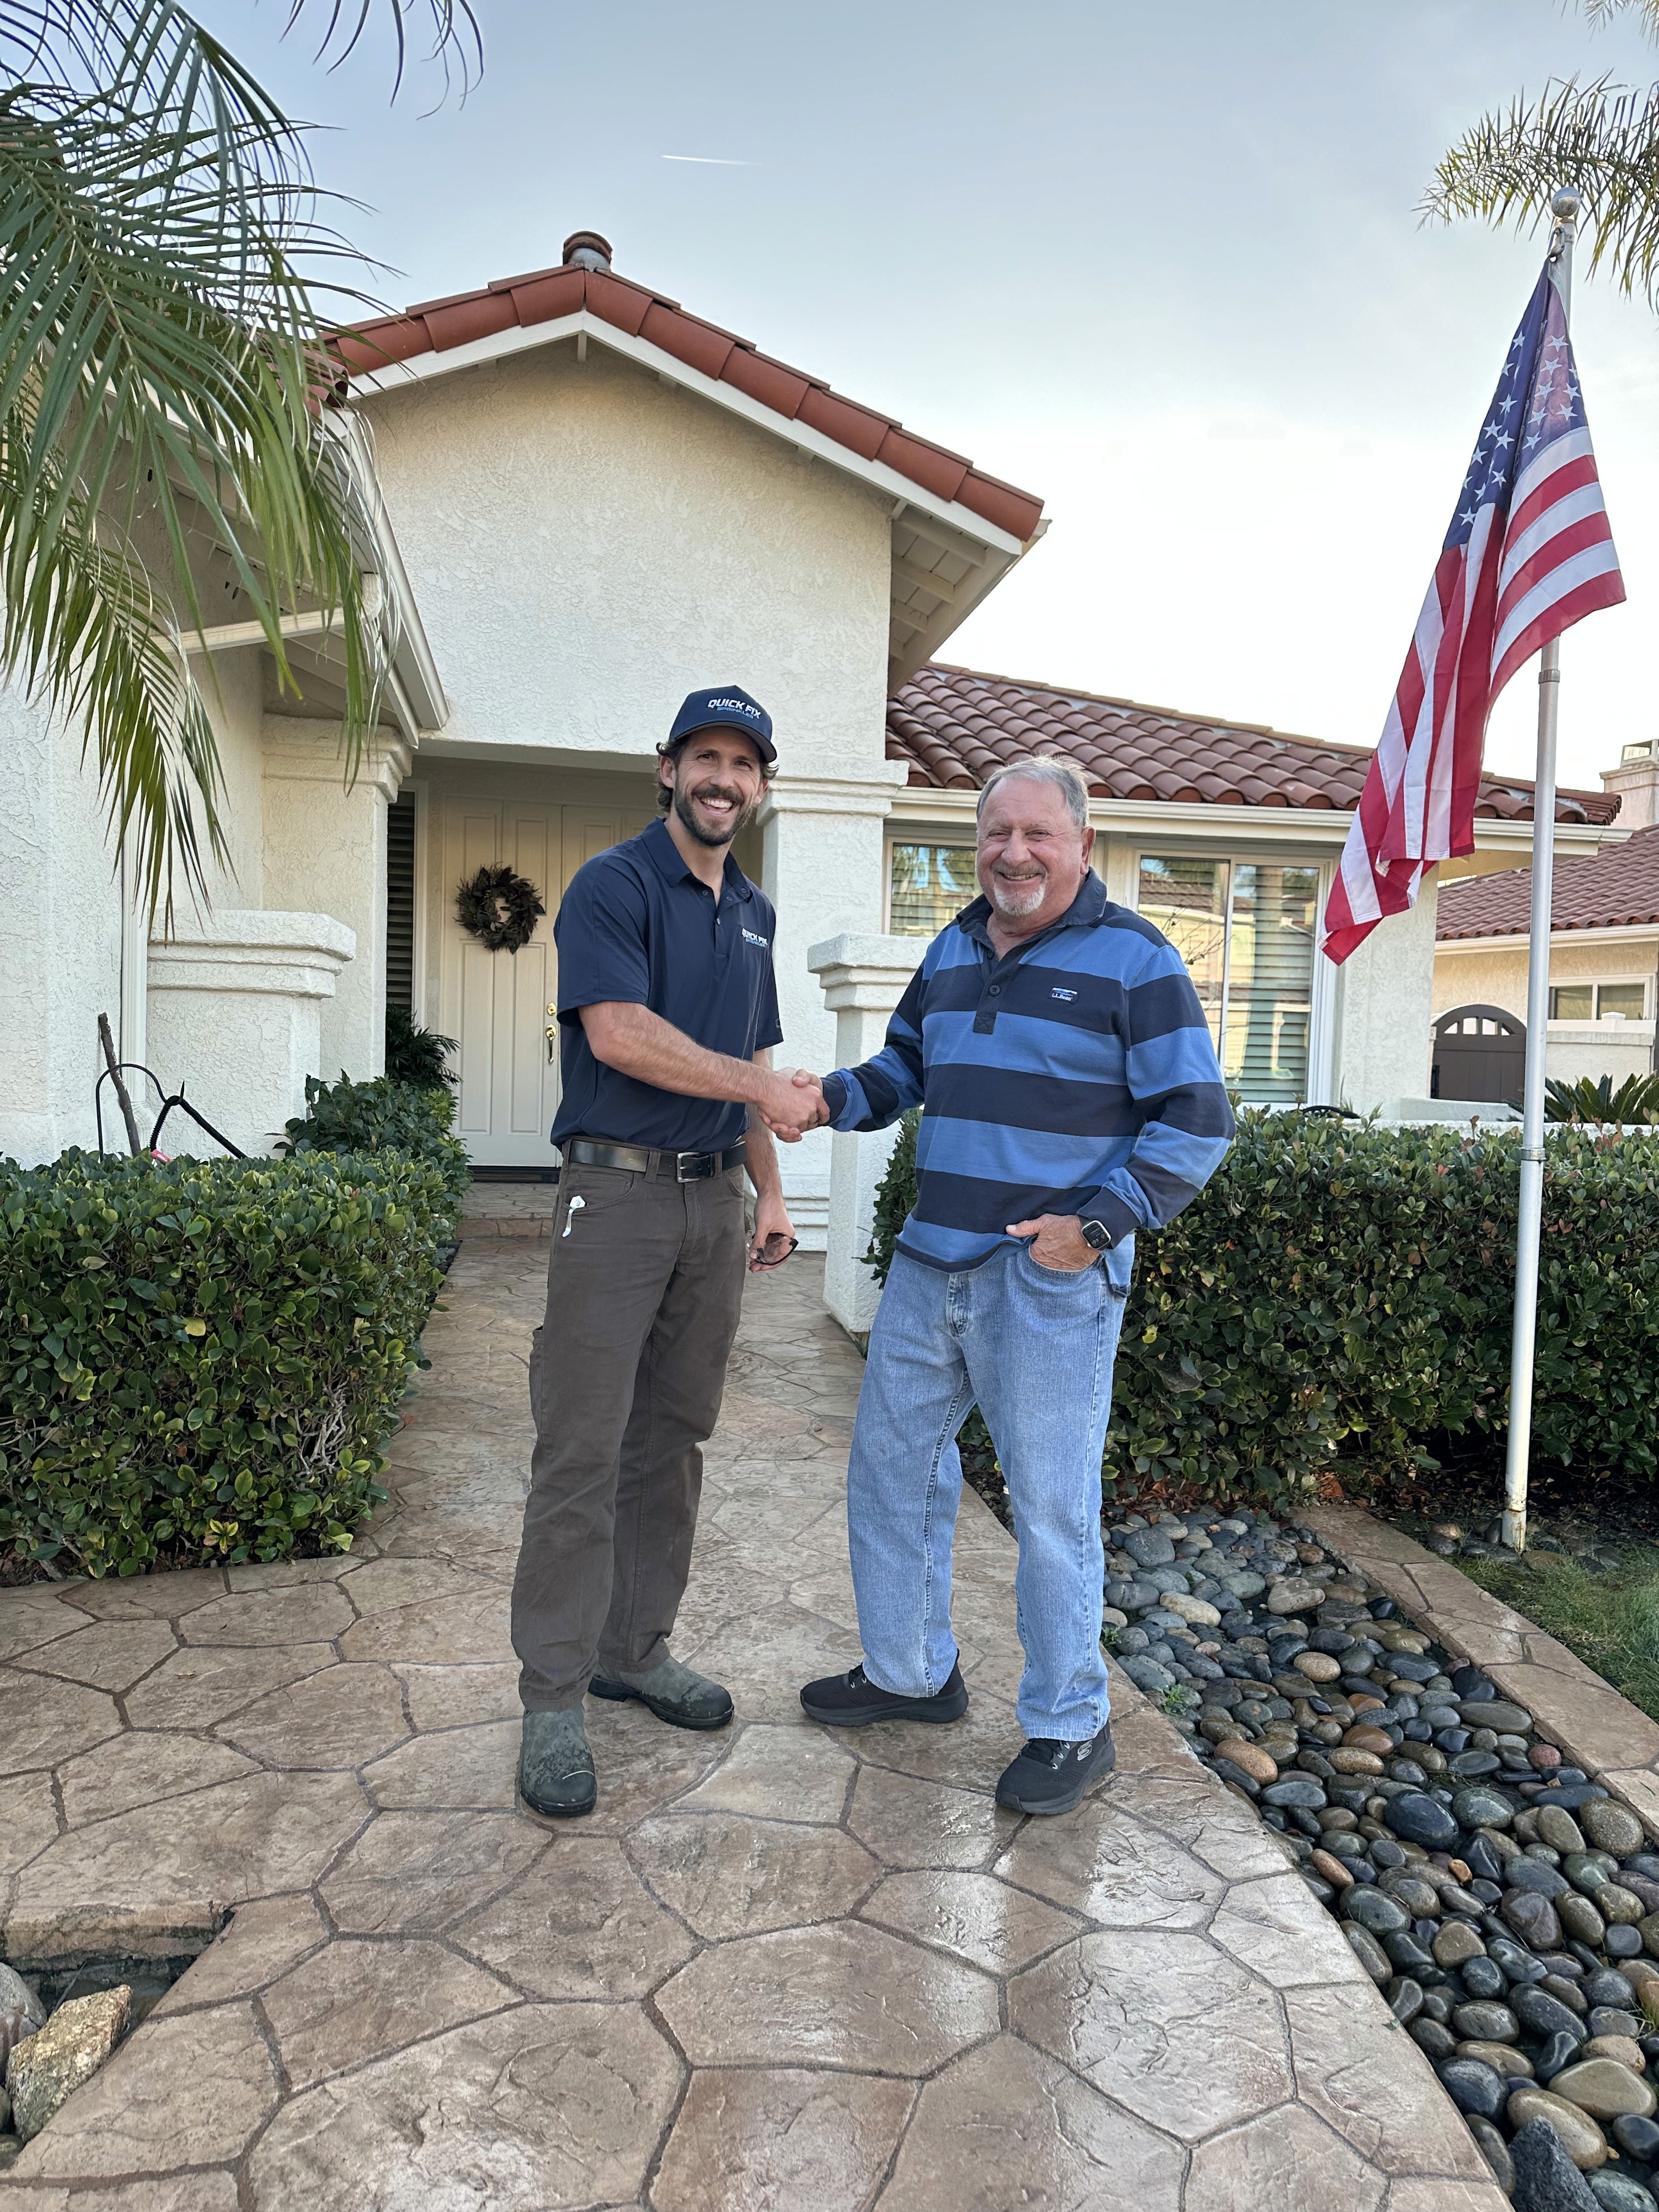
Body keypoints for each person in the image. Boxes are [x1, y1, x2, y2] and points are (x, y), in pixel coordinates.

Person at [792, 755, 1235, 1816]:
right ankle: (910, 1672)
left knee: (1048, 1507)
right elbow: (904, 1070)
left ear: (1081, 843)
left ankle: (1070, 1724)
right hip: (928, 1261)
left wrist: (1094, 1228)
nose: (1014, 854)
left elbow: (1197, 1120)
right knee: (890, 1475)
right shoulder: (952, 947)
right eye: (997, 834)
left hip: (1044, 1281)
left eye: (1038, 834)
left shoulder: (1135, 959)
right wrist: (821, 1099)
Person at [514, 685, 822, 1819]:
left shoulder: (754, 912)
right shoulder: (613, 884)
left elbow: (747, 1051)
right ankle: (553, 1696)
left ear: (762, 785)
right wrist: (765, 1089)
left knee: (674, 1441)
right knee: (581, 1450)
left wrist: (772, 1192)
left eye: (744, 764)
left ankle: (634, 1649)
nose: (723, 780)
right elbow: (621, 1035)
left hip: (713, 1207)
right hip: (616, 1195)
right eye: (706, 757)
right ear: (667, 768)